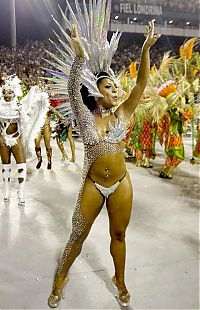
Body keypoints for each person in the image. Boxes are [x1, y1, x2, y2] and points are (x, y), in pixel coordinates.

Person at [47, 14, 160, 307]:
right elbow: (73, 88)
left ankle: (119, 279)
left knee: (119, 234)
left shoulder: (121, 114)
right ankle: (61, 276)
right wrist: (79, 56)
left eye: (116, 88)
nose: (117, 91)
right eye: (110, 87)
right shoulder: (86, 117)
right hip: (94, 185)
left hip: (121, 183)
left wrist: (146, 49)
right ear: (98, 92)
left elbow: (140, 84)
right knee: (78, 234)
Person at [0, 75, 49, 204]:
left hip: (16, 140)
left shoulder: (19, 106)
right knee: (5, 167)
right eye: (5, 92)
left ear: (14, 93)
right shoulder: (0, 106)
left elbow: (25, 124)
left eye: (10, 92)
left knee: (22, 166)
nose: (7, 95)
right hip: (3, 140)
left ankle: (20, 194)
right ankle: (6, 192)